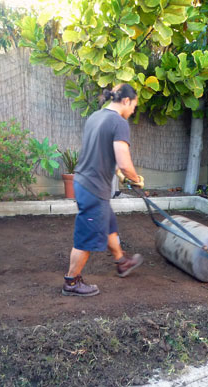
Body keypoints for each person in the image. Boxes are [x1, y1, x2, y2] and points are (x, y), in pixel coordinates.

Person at [62, 83, 145, 297]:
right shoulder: (118, 122)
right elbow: (125, 163)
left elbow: (100, 149)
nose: (133, 111)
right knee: (86, 237)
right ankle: (71, 282)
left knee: (108, 224)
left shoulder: (96, 116)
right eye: (134, 106)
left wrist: (116, 170)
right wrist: (135, 180)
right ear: (126, 101)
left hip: (84, 180)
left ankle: (121, 262)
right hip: (93, 187)